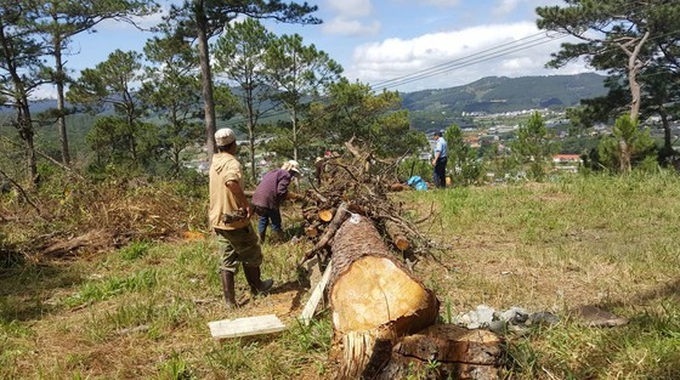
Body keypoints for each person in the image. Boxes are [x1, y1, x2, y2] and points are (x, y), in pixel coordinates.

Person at [209, 128, 273, 309]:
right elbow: (231, 182)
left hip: (219, 218)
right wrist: (245, 204)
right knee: (251, 251)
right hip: (234, 218)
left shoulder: (215, 162)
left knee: (227, 259)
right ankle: (257, 287)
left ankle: (230, 301)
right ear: (234, 144)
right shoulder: (232, 163)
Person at [250, 160, 302, 243]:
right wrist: (291, 196)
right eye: (293, 173)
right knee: (276, 221)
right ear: (291, 170)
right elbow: (281, 191)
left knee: (263, 220)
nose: (292, 176)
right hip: (269, 201)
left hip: (256, 200)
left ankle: (260, 241)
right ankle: (280, 241)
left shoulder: (273, 172)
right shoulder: (286, 175)